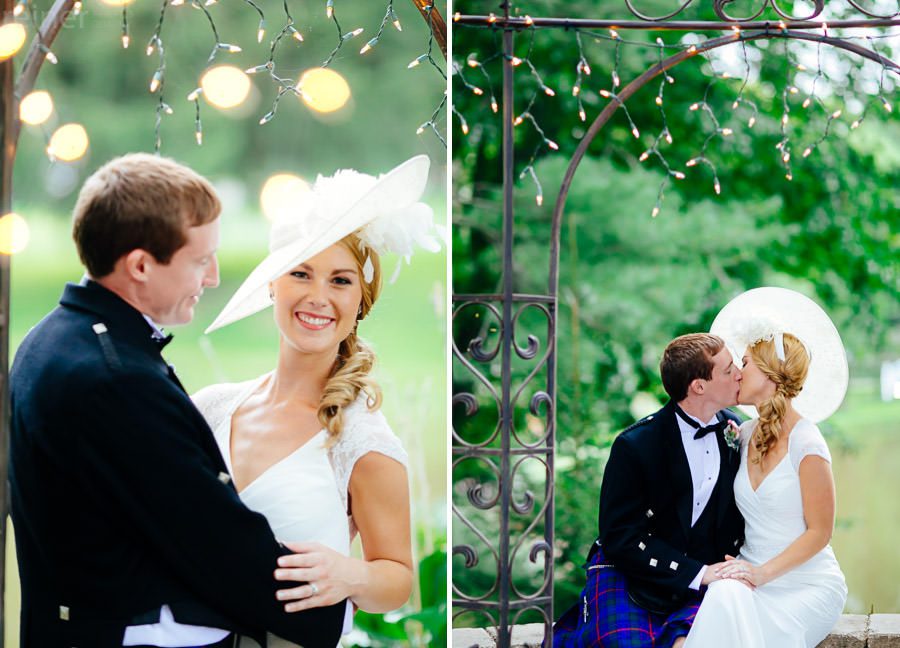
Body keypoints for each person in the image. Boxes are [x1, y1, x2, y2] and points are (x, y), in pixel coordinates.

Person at [9, 153, 344, 647]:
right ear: (141, 265)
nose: (211, 279)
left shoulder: (52, 338)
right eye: (200, 261)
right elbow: (208, 538)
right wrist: (327, 606)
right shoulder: (115, 379)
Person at [193, 155, 440, 648]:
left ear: (360, 302)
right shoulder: (210, 407)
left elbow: (397, 579)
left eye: (341, 280)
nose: (318, 296)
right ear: (272, 283)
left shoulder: (364, 442)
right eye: (301, 274)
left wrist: (349, 576)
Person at [552, 332, 745, 648]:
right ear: (698, 386)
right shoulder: (635, 445)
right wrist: (698, 573)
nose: (738, 372)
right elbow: (620, 537)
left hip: (704, 573)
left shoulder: (732, 431)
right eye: (727, 370)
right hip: (631, 571)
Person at [684, 287, 848, 648]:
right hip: (746, 575)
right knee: (724, 595)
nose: (737, 373)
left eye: (744, 364)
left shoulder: (808, 443)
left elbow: (820, 533)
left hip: (804, 584)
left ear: (771, 374)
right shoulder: (740, 434)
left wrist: (761, 574)